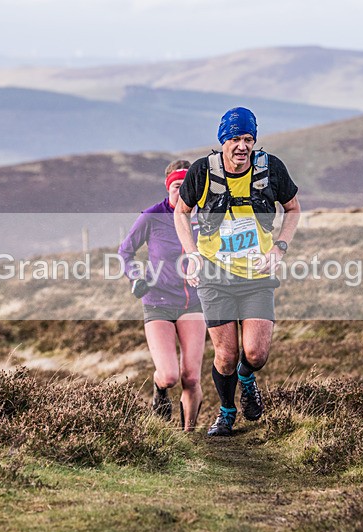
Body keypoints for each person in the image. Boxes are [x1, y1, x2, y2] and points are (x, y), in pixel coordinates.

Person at [173, 107, 301, 436]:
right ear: (222, 141)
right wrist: (192, 253)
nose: (242, 146)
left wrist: (279, 248)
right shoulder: (203, 171)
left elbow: (293, 207)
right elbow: (181, 212)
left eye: (248, 139)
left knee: (255, 355)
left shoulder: (270, 169)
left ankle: (248, 379)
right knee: (226, 356)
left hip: (257, 275)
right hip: (215, 277)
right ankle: (227, 413)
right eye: (234, 139)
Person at [118, 160, 206, 431]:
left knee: (191, 378)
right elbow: (125, 252)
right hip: (158, 302)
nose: (182, 193)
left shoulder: (205, 217)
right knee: (168, 376)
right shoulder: (151, 216)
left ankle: (188, 434)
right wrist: (136, 277)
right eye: (177, 187)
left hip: (194, 302)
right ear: (168, 187)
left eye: (187, 187)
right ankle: (160, 392)